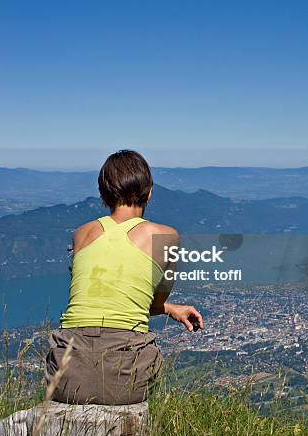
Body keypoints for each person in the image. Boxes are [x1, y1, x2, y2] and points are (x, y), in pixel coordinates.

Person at [45, 149, 203, 405]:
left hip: (67, 376)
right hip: (127, 380)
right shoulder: (166, 237)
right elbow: (149, 304)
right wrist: (168, 307)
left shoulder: (81, 233)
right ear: (149, 192)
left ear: (102, 194)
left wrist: (171, 309)